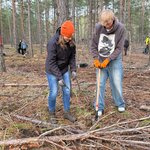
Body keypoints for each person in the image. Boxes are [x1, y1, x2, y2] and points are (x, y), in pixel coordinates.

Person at [90, 9, 126, 117]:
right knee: (100, 83)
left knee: (116, 81)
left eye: (108, 22)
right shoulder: (98, 28)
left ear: (112, 19)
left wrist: (108, 59)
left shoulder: (121, 28)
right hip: (101, 59)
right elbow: (93, 45)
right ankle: (99, 106)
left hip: (115, 59)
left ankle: (120, 103)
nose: (106, 25)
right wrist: (96, 59)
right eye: (104, 23)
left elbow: (119, 48)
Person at [45, 20, 77, 123]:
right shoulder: (52, 43)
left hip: (64, 69)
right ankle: (51, 114)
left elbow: (72, 57)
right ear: (63, 34)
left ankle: (67, 113)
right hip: (52, 70)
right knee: (54, 92)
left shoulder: (71, 42)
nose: (70, 38)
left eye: (71, 36)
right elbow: (51, 62)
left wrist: (73, 70)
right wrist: (59, 78)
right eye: (68, 36)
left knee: (67, 91)